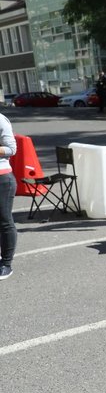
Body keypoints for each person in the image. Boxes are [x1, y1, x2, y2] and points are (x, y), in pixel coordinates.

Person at [0, 112, 16, 281]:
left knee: (4, 221)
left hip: (2, 178)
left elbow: (11, 149)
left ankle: (6, 264)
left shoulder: (1, 120)